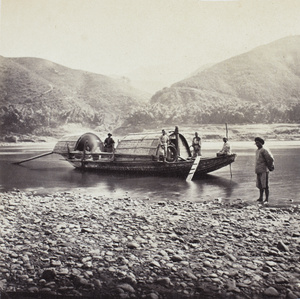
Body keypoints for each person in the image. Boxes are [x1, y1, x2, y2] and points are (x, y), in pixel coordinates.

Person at [254, 137, 274, 203]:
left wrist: (270, 166)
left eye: (258, 143)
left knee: (265, 185)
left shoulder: (264, 150)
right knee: (260, 185)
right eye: (256, 143)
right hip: (258, 170)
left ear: (261, 143)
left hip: (264, 170)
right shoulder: (257, 151)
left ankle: (267, 199)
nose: (257, 144)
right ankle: (261, 197)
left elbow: (270, 159)